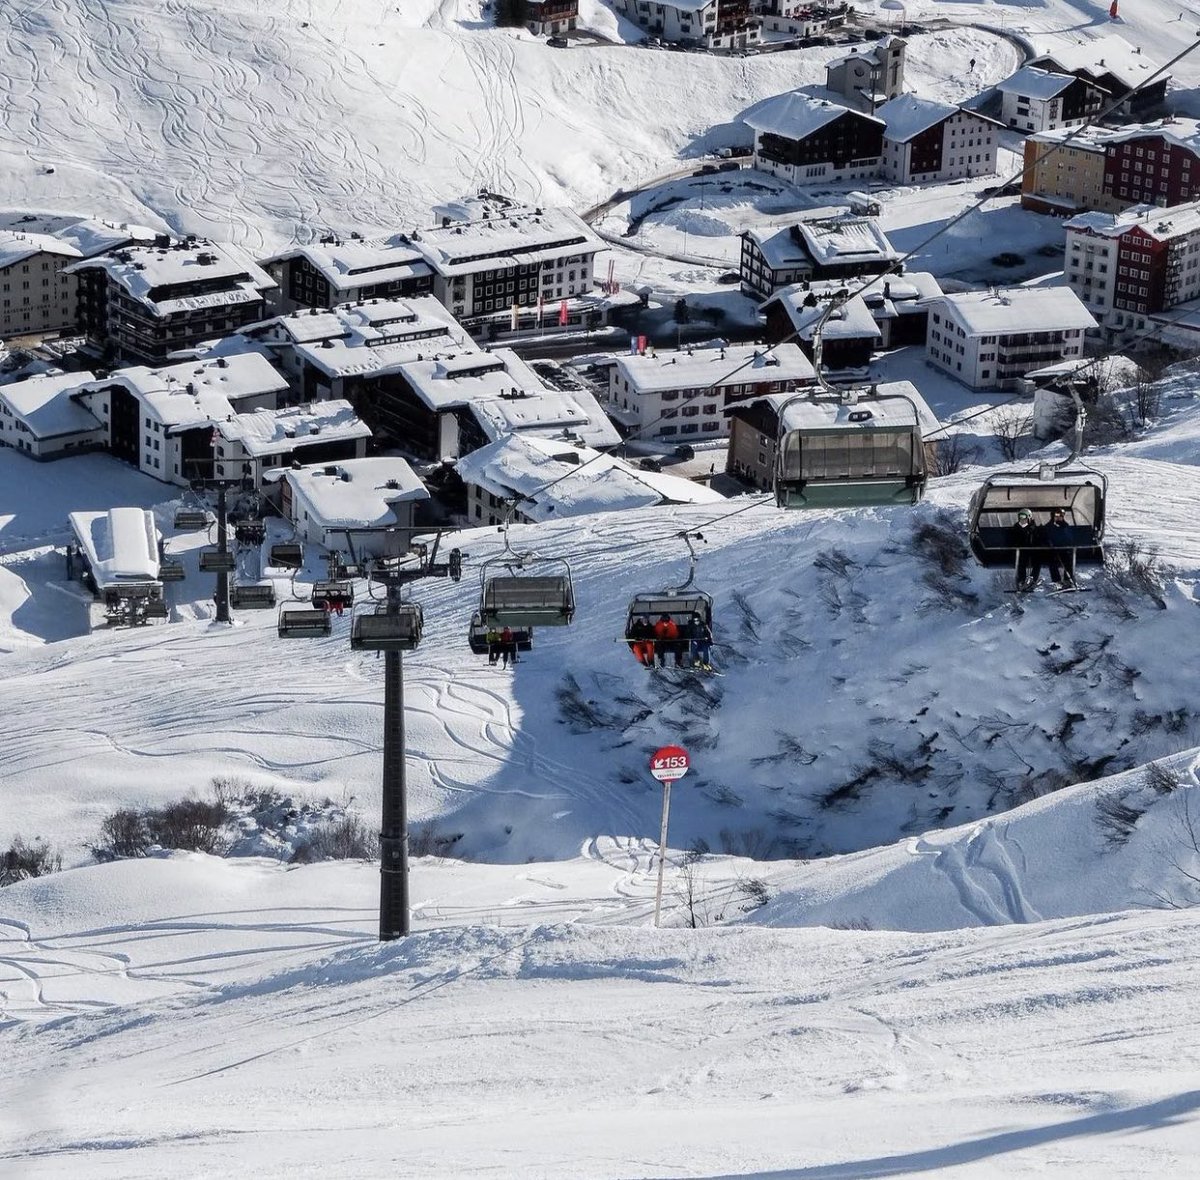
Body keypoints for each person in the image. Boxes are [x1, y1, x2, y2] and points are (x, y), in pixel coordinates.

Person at [1009, 508, 1048, 590]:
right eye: (1020, 517)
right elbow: (1013, 540)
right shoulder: (1016, 528)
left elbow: (1039, 539)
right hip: (1021, 550)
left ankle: (1033, 579)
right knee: (1021, 561)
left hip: (1032, 550)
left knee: (1038, 561)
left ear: (1029, 518)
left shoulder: (1034, 528)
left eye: (1024, 517)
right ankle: (1021, 581)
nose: (1022, 519)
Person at [1043, 507, 1076, 589]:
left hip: (1063, 549)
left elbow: (1069, 538)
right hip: (1052, 550)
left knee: (1068, 559)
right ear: (1053, 516)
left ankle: (1068, 580)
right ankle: (1056, 581)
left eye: (1061, 515)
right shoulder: (1048, 526)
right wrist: (1049, 543)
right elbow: (1045, 538)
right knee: (1052, 560)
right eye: (1057, 515)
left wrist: (1066, 544)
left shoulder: (1065, 526)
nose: (1059, 517)